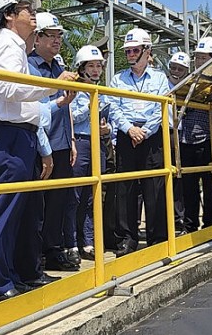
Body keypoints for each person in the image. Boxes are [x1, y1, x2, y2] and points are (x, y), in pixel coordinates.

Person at [0, 0, 76, 305]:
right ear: (9, 15)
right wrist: (52, 85)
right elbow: (9, 89)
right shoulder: (7, 44)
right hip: (7, 135)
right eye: (25, 7)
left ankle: (9, 276)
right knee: (5, 213)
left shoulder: (14, 46)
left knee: (14, 214)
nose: (32, 12)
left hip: (16, 134)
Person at [109, 27, 170, 256]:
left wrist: (144, 131)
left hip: (151, 136)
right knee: (126, 189)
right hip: (127, 135)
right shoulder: (118, 79)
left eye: (135, 50)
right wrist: (129, 129)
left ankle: (158, 237)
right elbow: (113, 107)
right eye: (128, 51)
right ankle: (127, 238)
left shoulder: (160, 78)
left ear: (147, 50)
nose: (130, 54)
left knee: (154, 187)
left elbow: (160, 106)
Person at [28, 12, 79, 271]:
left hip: (60, 142)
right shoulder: (30, 66)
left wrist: (70, 139)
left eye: (59, 35)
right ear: (37, 38)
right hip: (39, 143)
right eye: (51, 35)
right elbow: (37, 106)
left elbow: (66, 106)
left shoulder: (59, 67)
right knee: (39, 203)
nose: (57, 40)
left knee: (59, 200)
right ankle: (35, 254)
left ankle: (53, 249)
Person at [69, 45, 122, 259]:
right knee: (75, 194)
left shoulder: (101, 91)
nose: (95, 70)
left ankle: (88, 241)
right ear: (81, 68)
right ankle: (71, 242)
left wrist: (108, 128)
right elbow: (72, 115)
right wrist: (92, 104)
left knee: (93, 194)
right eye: (91, 66)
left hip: (97, 142)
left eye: (98, 66)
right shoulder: (74, 88)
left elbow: (113, 116)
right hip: (80, 142)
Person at [179, 37, 212, 232]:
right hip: (186, 140)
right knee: (188, 187)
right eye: (197, 57)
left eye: (202, 57)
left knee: (209, 186)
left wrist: (204, 96)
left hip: (207, 139)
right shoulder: (189, 79)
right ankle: (190, 226)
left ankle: (211, 225)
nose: (198, 61)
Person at [166, 51, 190, 232]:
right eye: (173, 67)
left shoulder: (188, 88)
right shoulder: (161, 84)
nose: (175, 71)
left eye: (180, 69)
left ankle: (178, 218)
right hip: (162, 132)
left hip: (179, 135)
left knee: (178, 178)